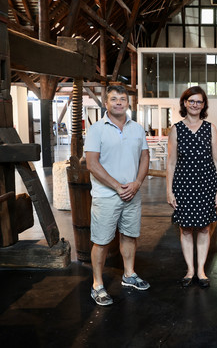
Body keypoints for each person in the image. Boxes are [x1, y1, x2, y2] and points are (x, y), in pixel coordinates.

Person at [85, 85, 151, 306]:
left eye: (123, 99)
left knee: (130, 235)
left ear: (128, 103)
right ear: (106, 103)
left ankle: (129, 275)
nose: (119, 102)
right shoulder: (96, 129)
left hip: (132, 193)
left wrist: (137, 183)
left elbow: (144, 158)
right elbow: (92, 164)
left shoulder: (137, 129)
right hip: (106, 196)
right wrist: (116, 186)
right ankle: (97, 285)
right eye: (114, 99)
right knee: (102, 241)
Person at [166, 86, 217, 288]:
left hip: (206, 184)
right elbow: (171, 163)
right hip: (183, 185)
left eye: (199, 102)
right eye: (192, 101)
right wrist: (169, 190)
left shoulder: (210, 128)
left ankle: (201, 270)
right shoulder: (176, 129)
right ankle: (190, 270)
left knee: (205, 228)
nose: (195, 105)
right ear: (184, 103)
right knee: (186, 229)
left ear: (204, 105)